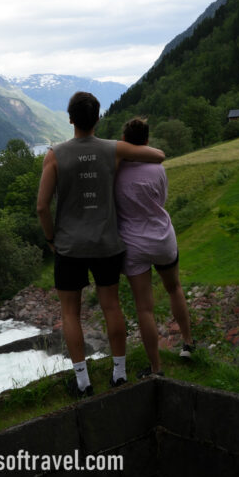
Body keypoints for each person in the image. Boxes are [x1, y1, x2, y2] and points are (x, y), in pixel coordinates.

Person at [36, 92, 165, 397]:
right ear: (98, 119)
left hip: (69, 247)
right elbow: (158, 155)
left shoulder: (55, 155)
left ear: (70, 119)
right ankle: (119, 373)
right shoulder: (114, 149)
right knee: (112, 306)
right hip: (107, 244)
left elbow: (42, 207)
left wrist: (51, 238)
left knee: (70, 313)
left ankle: (82, 381)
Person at [115, 117, 194, 378]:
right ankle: (188, 343)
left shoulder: (116, 172)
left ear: (125, 142)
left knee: (144, 308)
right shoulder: (158, 169)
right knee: (174, 288)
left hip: (133, 244)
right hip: (162, 238)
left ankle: (156, 368)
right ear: (147, 141)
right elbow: (161, 199)